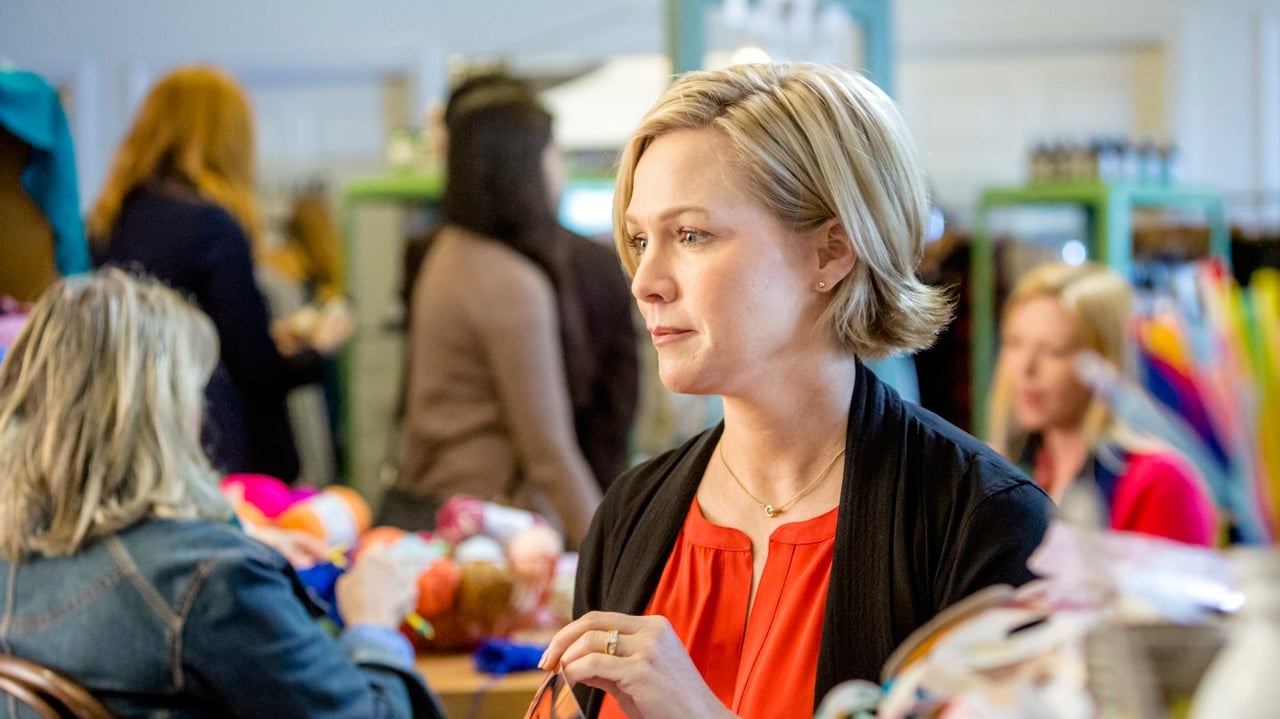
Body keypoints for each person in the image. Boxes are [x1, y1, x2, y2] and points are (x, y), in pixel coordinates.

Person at [538, 62, 1053, 718]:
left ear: (830, 251)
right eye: (640, 239)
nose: (646, 281)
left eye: (691, 235)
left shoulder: (982, 523)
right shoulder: (631, 516)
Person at [0, 269, 442, 718]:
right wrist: (373, 623)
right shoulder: (213, 578)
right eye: (195, 392)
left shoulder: (16, 551)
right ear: (164, 416)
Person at [88, 64, 350, 483]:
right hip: (216, 454)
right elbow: (254, 368)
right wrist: (316, 351)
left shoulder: (108, 223)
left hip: (134, 448)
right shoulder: (210, 225)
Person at [398, 72, 639, 491]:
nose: (560, 167)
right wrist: (605, 533)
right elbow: (549, 455)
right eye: (553, 151)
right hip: (492, 506)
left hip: (446, 494)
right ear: (524, 164)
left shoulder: (448, 253)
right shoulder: (509, 281)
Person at [986, 260, 1217, 545]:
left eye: (1053, 350)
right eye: (1014, 343)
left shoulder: (1160, 483)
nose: (1026, 368)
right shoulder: (1005, 471)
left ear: (1105, 360)